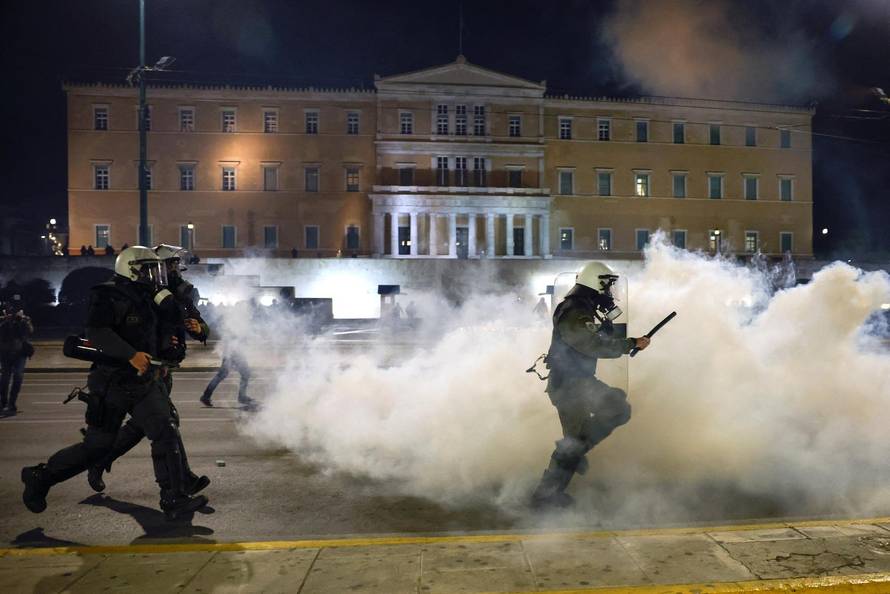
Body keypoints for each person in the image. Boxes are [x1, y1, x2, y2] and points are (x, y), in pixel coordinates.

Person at [20, 246, 208, 520]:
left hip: (145, 382)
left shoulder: (154, 297)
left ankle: (174, 497)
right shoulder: (108, 294)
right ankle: (41, 477)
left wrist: (193, 325)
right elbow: (96, 332)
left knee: (166, 430)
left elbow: (180, 321)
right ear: (131, 269)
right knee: (97, 446)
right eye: (148, 269)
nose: (154, 275)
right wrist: (130, 355)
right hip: (111, 381)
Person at [86, 244, 210, 496]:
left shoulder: (178, 293)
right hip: (147, 368)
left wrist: (199, 328)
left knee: (148, 426)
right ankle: (179, 482)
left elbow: (200, 324)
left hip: (166, 368)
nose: (176, 269)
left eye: (177, 264)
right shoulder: (146, 292)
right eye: (171, 264)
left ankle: (101, 460)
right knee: (165, 424)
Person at [530, 261, 650, 509]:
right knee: (575, 441)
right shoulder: (574, 310)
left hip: (580, 382)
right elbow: (589, 344)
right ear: (596, 283)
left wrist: (615, 333)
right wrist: (630, 344)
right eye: (607, 285)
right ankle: (545, 496)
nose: (609, 292)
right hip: (570, 385)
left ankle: (571, 458)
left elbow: (593, 339)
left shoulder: (583, 307)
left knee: (616, 409)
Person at [0, 302, 34, 414]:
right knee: (5, 378)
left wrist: (24, 320)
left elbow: (30, 331)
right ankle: (3, 401)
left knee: (18, 376)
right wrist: (5, 320)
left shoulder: (23, 320)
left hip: (20, 353)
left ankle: (12, 403)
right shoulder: (4, 320)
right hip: (5, 353)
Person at [200, 343, 255, 409]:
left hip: (231, 352)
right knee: (245, 373)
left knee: (221, 375)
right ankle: (242, 397)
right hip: (235, 353)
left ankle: (206, 396)